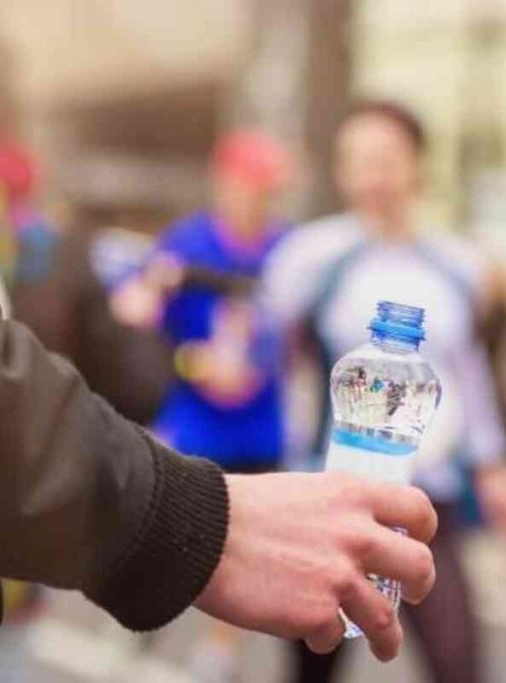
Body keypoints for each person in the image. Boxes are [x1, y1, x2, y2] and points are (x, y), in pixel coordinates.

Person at [0, 2, 437, 679]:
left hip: (193, 450)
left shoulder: (292, 250)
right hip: (123, 464)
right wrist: (192, 520)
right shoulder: (173, 243)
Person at [262, 100, 506, 683]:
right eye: (356, 161)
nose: (371, 176)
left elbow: (469, 375)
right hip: (336, 496)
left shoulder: (459, 266)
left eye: (385, 159)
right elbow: (272, 360)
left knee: (459, 663)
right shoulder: (309, 260)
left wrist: (493, 466)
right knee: (314, 663)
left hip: (429, 501)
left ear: (418, 168)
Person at [109, 131, 293, 682]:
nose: (254, 197)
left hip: (260, 425)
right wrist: (194, 361)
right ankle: (144, 623)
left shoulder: (286, 248)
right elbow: (139, 316)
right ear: (224, 181)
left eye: (265, 187)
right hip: (194, 423)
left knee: (241, 546)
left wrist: (258, 366)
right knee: (174, 536)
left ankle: (218, 656)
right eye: (245, 183)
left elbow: (292, 335)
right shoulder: (187, 243)